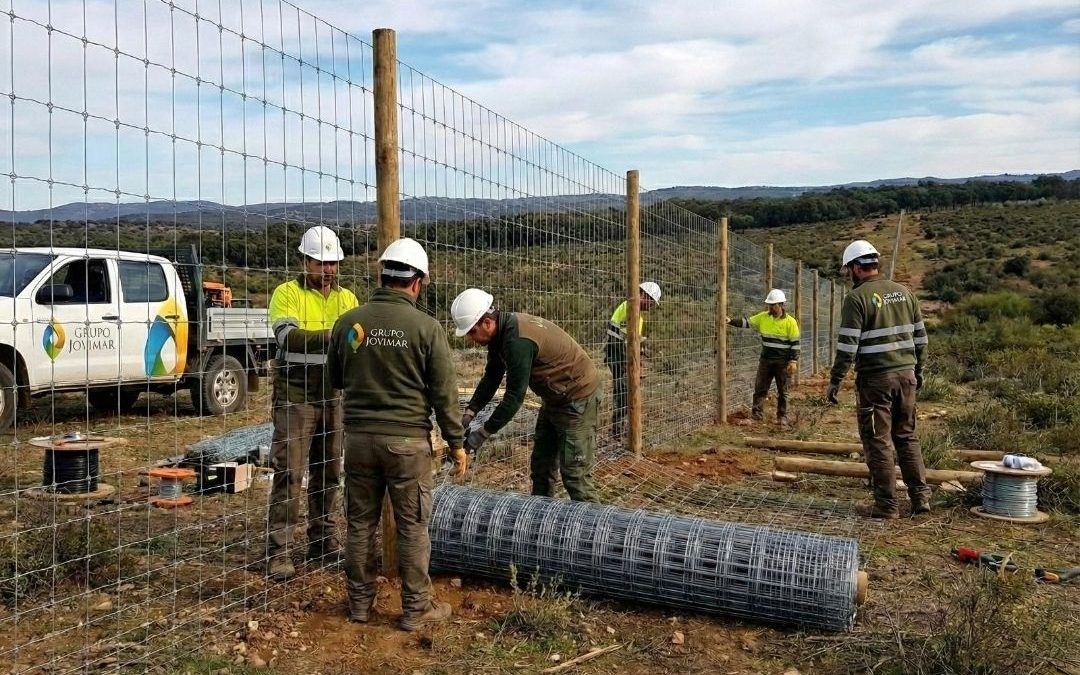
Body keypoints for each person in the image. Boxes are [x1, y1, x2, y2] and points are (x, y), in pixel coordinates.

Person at [327, 237, 467, 631]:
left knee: (359, 524)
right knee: (412, 527)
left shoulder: (348, 322)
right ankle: (414, 609)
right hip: (407, 445)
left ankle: (358, 605)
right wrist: (456, 444)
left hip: (357, 442)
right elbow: (444, 394)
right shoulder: (426, 328)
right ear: (418, 282)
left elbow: (336, 378)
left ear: (381, 274)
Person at [266, 226, 359, 581]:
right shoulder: (285, 294)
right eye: (320, 263)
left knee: (330, 471)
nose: (328, 270)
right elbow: (289, 337)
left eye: (333, 263)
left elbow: (358, 342)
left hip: (334, 395)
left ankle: (321, 539)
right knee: (289, 473)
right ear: (304, 261)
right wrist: (338, 336)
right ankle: (280, 551)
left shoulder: (347, 299)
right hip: (296, 397)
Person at [452, 289, 602, 502]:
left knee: (575, 475)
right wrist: (469, 413)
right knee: (541, 467)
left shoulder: (517, 340)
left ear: (486, 322)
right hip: (555, 397)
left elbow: (514, 397)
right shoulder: (500, 334)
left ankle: (593, 531)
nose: (470, 339)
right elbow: (492, 377)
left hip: (578, 398)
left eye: (472, 332)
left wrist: (480, 435)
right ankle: (539, 523)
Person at [826, 239, 930, 519]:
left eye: (849, 269)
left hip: (876, 381)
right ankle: (920, 498)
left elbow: (848, 346)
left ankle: (886, 505)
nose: (849, 275)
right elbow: (921, 339)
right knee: (907, 437)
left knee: (878, 441)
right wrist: (918, 372)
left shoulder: (857, 298)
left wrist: (836, 379)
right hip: (906, 377)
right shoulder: (905, 292)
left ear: (857, 268)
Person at [727, 289, 800, 423]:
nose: (771, 307)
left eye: (774, 305)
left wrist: (793, 360)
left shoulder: (791, 322)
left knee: (783, 391)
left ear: (781, 305)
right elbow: (747, 323)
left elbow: (795, 343)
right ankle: (757, 415)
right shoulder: (763, 317)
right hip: (766, 361)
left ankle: (782, 416)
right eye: (770, 305)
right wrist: (731, 321)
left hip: (782, 362)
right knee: (760, 388)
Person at [605, 281, 661, 439]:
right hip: (618, 358)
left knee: (627, 393)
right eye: (651, 302)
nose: (651, 306)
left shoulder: (638, 316)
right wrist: (628, 365)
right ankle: (617, 432)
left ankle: (623, 429)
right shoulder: (628, 308)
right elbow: (619, 341)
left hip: (624, 359)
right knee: (622, 392)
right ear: (644, 295)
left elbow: (636, 342)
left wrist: (639, 361)